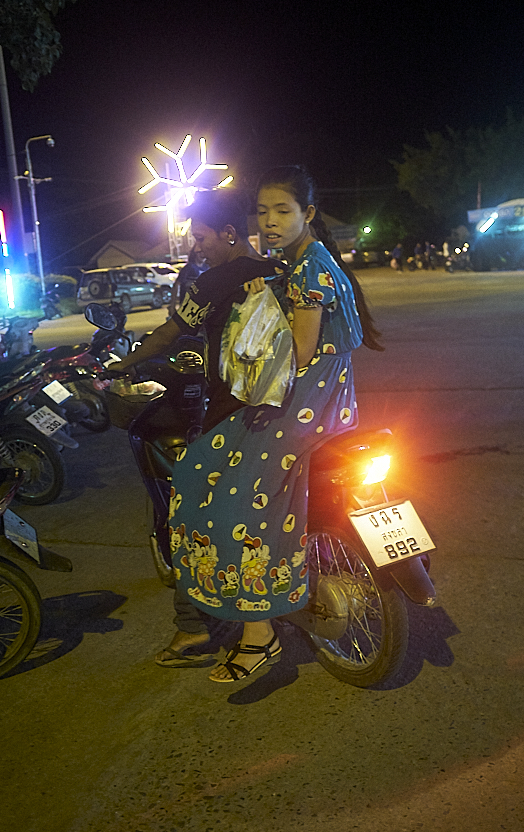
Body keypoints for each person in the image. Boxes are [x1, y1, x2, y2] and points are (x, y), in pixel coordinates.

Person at [167, 165, 384, 683]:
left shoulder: (309, 270)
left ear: (308, 213)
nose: (270, 221)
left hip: (307, 400)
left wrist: (253, 341)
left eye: (283, 211)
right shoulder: (300, 262)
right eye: (263, 212)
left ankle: (258, 634)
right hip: (313, 396)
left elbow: (299, 353)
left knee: (233, 503)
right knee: (199, 468)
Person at [111, 189, 287, 667]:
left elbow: (170, 333)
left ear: (228, 233)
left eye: (201, 237)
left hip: (233, 415)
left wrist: (125, 362)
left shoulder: (213, 282)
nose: (197, 246)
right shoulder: (279, 271)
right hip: (288, 410)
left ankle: (196, 625)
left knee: (187, 511)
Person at [168, 245, 208, 317]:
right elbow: (176, 285)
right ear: (194, 254)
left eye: (204, 252)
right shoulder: (188, 268)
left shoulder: (207, 267)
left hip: (202, 307)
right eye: (199, 252)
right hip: (188, 307)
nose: (202, 255)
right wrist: (172, 306)